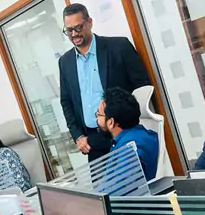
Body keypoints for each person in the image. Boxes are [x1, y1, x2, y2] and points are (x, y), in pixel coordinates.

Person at [59, 3, 151, 162]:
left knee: (136, 177)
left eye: (78, 27)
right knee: (102, 179)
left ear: (89, 22)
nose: (74, 34)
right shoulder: (65, 62)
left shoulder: (119, 47)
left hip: (124, 133)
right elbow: (66, 102)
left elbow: (142, 86)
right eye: (69, 30)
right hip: (93, 141)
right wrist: (78, 136)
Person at [97, 87, 160, 180]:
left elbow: (120, 186)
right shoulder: (136, 137)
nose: (97, 119)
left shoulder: (130, 147)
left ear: (111, 122)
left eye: (99, 114)